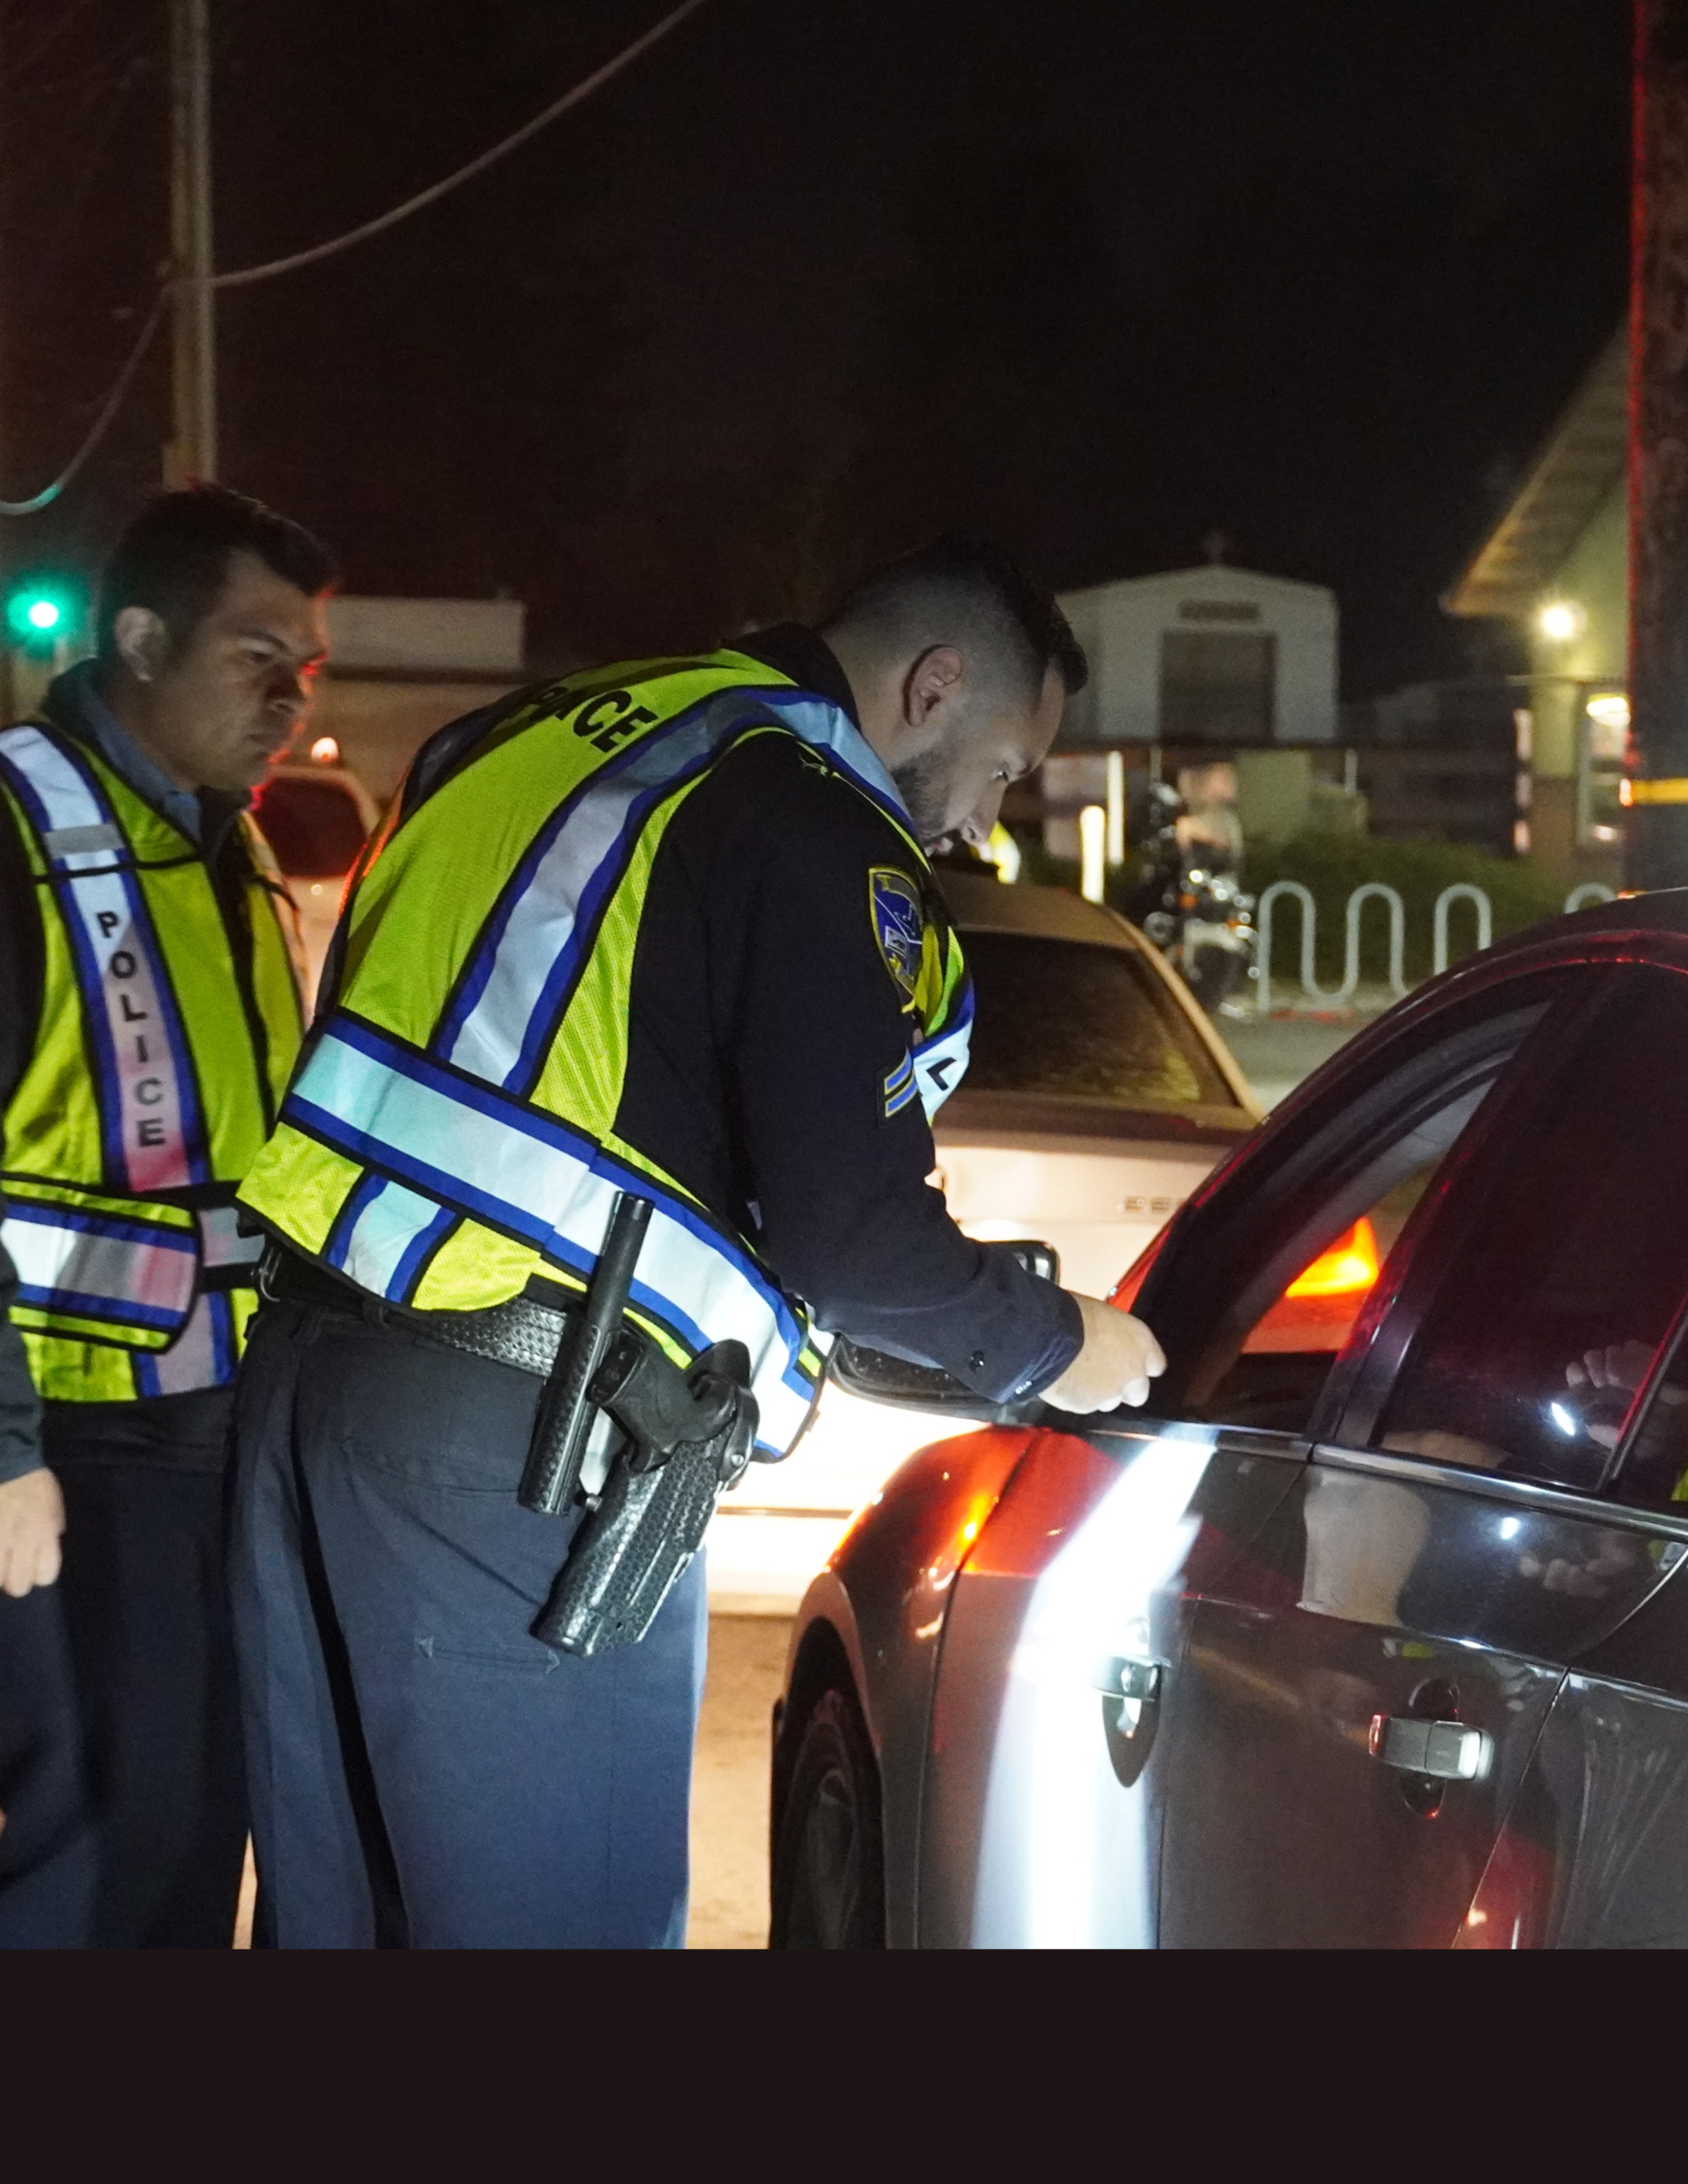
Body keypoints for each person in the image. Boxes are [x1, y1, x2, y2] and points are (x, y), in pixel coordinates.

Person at [229, 537, 1165, 1950]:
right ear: (934, 684)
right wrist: (1057, 1342)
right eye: (1003, 768)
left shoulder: (535, 735)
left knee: (348, 1928)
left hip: (309, 1385)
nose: (978, 820)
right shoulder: (808, 817)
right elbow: (854, 1242)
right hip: (524, 1445)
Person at [0, 486, 334, 1945]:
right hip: (71, 1442)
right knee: (92, 1845)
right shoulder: (17, 827)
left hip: (218, 1429)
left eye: (306, 668)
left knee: (203, 1821)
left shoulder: (228, 845)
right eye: (255, 651)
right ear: (140, 636)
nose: (287, 696)